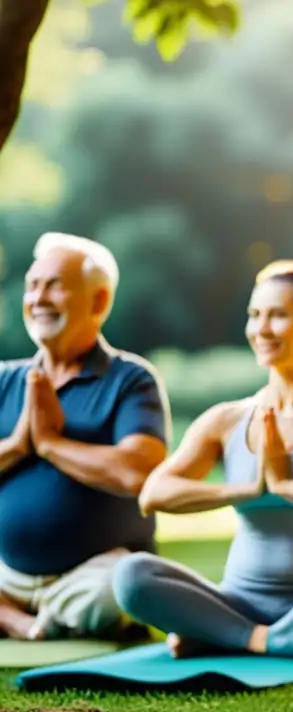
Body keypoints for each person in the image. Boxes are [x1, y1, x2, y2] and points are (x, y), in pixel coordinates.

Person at [112, 260, 293, 662]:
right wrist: (246, 490)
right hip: (236, 601)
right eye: (254, 315)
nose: (260, 329)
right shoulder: (227, 419)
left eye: (277, 315)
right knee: (131, 574)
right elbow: (153, 494)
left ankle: (226, 637)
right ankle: (263, 637)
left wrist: (286, 486)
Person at [0, 233, 170, 641]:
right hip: (7, 572)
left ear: (98, 302)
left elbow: (137, 473)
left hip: (94, 575)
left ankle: (23, 619)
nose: (39, 297)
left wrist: (53, 445)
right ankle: (21, 620)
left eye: (54, 285)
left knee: (129, 584)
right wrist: (20, 444)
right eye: (33, 285)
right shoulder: (6, 379)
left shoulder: (132, 380)